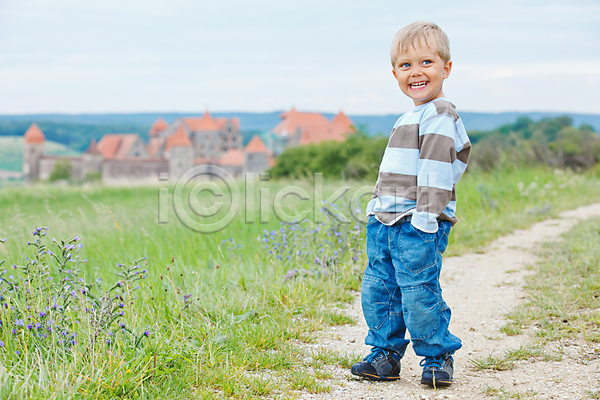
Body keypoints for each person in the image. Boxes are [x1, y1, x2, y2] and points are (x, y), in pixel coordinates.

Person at [350, 21, 471, 387]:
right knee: (379, 290)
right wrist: (375, 208)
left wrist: (426, 219)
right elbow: (394, 171)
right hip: (386, 222)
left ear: (446, 68)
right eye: (406, 65)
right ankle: (385, 354)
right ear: (395, 73)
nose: (416, 72)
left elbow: (435, 171)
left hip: (418, 223)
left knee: (419, 292)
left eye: (426, 63)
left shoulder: (439, 114)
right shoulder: (411, 115)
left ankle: (437, 356)